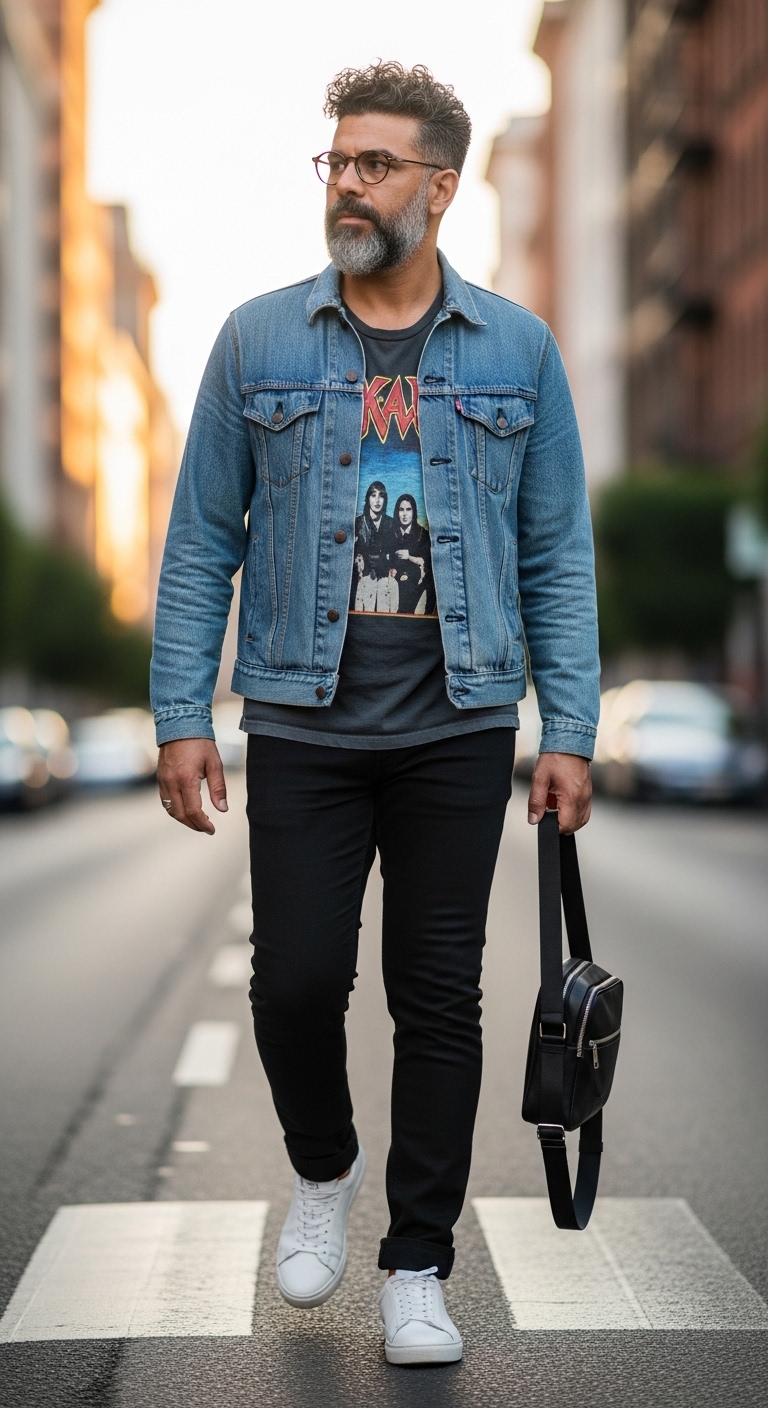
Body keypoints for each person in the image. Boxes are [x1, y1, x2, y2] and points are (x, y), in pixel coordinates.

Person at [151, 61, 598, 1368]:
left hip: (460, 719)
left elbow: (556, 548)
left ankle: (416, 1264)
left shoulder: (515, 349)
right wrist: (185, 708)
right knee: (293, 982)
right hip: (300, 715)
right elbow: (198, 542)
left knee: (437, 994)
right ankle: (325, 1165)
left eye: (373, 164)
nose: (344, 183)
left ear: (439, 188)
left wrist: (565, 727)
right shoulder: (258, 339)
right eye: (334, 162)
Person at [391, 492, 432, 615]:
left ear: (413, 512)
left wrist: (409, 557)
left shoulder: (422, 534)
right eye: (401, 510)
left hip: (416, 585)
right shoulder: (391, 533)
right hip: (394, 584)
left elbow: (426, 560)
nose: (404, 514)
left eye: (408, 510)